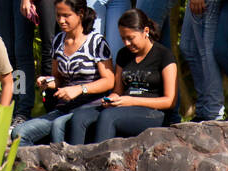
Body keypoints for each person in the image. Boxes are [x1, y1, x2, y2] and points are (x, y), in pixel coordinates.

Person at [13, 0, 115, 146]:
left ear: (80, 13)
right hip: (64, 109)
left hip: (90, 107)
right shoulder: (58, 40)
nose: (61, 20)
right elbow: (59, 80)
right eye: (58, 15)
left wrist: (80, 89)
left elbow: (109, 81)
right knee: (19, 133)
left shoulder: (96, 42)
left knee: (58, 126)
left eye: (66, 16)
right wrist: (48, 81)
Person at [67, 9, 177, 145]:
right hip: (123, 106)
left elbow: (169, 101)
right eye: (123, 38)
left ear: (146, 31)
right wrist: (112, 99)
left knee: (109, 117)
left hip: (152, 113)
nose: (126, 43)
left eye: (130, 38)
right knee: (80, 117)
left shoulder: (164, 55)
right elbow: (118, 91)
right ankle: (73, 161)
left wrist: (131, 101)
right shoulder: (123, 54)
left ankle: (100, 162)